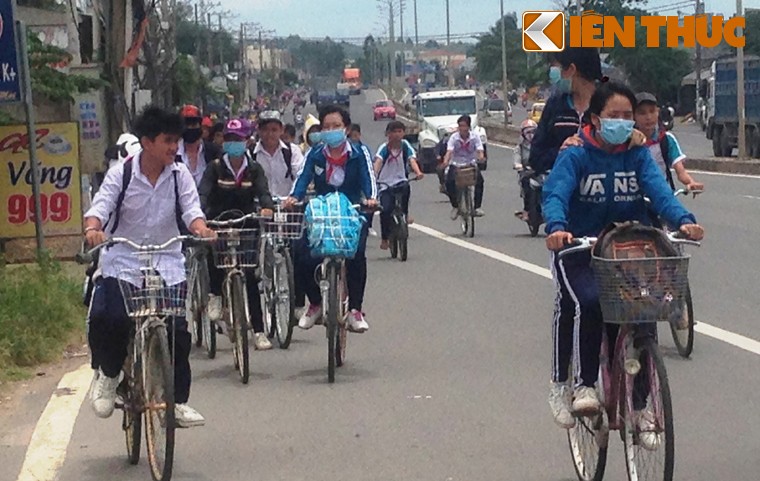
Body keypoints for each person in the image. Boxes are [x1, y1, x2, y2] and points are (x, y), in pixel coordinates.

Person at [541, 82, 704, 437]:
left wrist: (684, 220)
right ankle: (575, 385)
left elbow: (659, 192)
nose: (623, 122)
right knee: (587, 302)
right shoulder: (576, 153)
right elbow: (555, 194)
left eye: (627, 116)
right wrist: (556, 227)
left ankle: (643, 407)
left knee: (646, 314)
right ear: (596, 119)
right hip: (578, 248)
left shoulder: (637, 152)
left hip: (627, 249)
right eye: (614, 116)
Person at [84, 106, 216, 427]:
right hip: (123, 261)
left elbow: (191, 210)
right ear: (147, 142)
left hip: (167, 261)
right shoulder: (122, 174)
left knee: (178, 333)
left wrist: (201, 229)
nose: (174, 147)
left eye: (176, 141)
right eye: (167, 141)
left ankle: (178, 402)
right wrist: (93, 229)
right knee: (111, 317)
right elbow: (98, 208)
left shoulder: (179, 174)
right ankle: (109, 375)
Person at [283, 105, 378, 333]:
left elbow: (369, 179)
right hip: (323, 215)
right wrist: (294, 198)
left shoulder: (359, 152)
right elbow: (302, 179)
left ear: (346, 129)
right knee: (302, 253)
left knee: (357, 255)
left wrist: (371, 199)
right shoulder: (315, 154)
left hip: (352, 213)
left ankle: (355, 309)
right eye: (326, 127)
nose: (331, 130)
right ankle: (315, 303)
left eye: (336, 126)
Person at [199, 118, 276, 351]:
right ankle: (214, 296)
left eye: (238, 139)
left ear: (246, 141)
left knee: (251, 276)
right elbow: (203, 193)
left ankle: (259, 331)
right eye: (229, 139)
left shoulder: (254, 169)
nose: (234, 144)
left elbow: (263, 192)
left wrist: (267, 207)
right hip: (219, 223)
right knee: (215, 260)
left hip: (247, 223)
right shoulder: (214, 167)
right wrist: (200, 216)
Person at [517, 46, 605, 220]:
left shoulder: (609, 104)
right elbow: (536, 156)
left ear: (571, 69)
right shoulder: (556, 106)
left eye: (556, 67)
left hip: (605, 200)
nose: (553, 74)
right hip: (566, 205)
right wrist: (561, 152)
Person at [634, 92, 704, 193]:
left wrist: (690, 182)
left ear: (658, 112)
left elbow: (681, 172)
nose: (648, 117)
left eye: (652, 111)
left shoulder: (666, 139)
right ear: (634, 116)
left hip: (662, 196)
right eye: (642, 113)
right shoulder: (628, 141)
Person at [374, 121, 424, 250]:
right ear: (388, 134)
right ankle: (385, 238)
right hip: (385, 184)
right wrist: (373, 176)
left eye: (400, 131)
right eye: (394, 132)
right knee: (385, 210)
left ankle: (405, 215)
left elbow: (412, 160)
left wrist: (418, 172)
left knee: (406, 188)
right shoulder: (384, 148)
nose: (397, 134)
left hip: (400, 180)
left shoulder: (405, 146)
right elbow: (378, 162)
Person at [251, 112, 305, 198]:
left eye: (274, 130)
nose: (269, 134)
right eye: (265, 130)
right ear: (258, 130)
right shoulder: (251, 153)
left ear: (282, 130)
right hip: (259, 206)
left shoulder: (292, 151)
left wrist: (294, 197)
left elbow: (301, 176)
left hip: (288, 205)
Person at [442, 115, 485, 219]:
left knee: (480, 181)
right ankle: (455, 206)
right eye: (460, 126)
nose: (462, 128)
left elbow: (480, 150)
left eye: (464, 126)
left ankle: (477, 207)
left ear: (469, 127)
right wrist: (445, 162)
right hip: (456, 164)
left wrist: (481, 158)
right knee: (449, 182)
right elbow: (449, 151)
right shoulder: (454, 137)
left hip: (471, 163)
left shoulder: (475, 137)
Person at [177, 105, 221, 187]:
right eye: (186, 125)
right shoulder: (172, 154)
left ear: (200, 126)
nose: (190, 128)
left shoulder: (214, 152)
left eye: (193, 124)